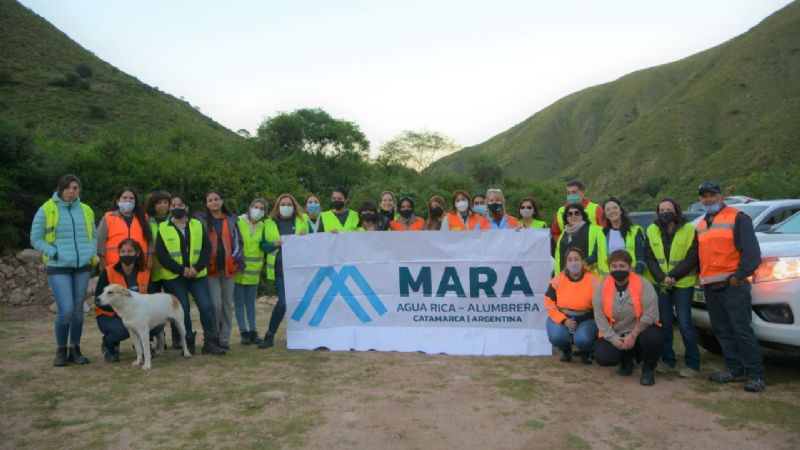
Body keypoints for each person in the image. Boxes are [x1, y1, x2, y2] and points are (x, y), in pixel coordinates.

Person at [696, 181, 763, 392]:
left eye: (712, 195)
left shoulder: (738, 218)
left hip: (732, 286)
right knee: (722, 331)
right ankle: (734, 369)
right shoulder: (701, 225)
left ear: (720, 196)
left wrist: (739, 277)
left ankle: (755, 374)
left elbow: (752, 254)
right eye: (704, 196)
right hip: (711, 287)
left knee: (742, 330)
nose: (708, 199)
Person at [30, 174, 97, 367]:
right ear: (60, 189)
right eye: (67, 188)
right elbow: (35, 239)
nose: (71, 191)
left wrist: (90, 253)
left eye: (75, 188)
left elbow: (93, 235)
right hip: (58, 266)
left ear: (79, 191)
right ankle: (61, 350)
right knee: (66, 310)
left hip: (82, 266)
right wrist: (54, 253)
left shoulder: (86, 210)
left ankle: (75, 349)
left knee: (78, 312)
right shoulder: (47, 208)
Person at [155, 195, 225, 355]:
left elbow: (207, 250)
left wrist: (197, 268)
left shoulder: (198, 225)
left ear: (186, 208)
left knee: (206, 307)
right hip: (174, 276)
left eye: (180, 204)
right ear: (170, 209)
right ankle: (188, 342)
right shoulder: (163, 228)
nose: (176, 207)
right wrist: (182, 270)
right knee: (183, 309)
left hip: (197, 274)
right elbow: (162, 255)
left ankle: (210, 341)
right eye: (173, 205)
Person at [645, 197, 700, 378]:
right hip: (662, 284)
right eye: (662, 210)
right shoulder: (652, 230)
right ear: (658, 212)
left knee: (684, 323)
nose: (665, 212)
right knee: (665, 323)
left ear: (676, 210)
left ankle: (693, 364)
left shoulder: (689, 229)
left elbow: (692, 257)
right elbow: (650, 257)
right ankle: (668, 361)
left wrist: (673, 276)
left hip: (683, 283)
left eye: (669, 209)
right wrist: (662, 278)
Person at [593, 250, 661, 386]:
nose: (618, 269)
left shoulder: (644, 284)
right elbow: (600, 318)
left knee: (653, 337)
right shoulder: (602, 287)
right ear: (609, 268)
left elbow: (651, 313)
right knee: (603, 357)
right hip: (616, 332)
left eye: (622, 266)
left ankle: (648, 369)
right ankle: (625, 359)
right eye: (614, 266)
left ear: (630, 267)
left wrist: (634, 334)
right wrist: (613, 339)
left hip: (640, 330)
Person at [94, 239, 164, 362]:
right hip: (110, 314)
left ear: (137, 254)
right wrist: (121, 310)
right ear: (119, 253)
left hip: (137, 314)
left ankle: (143, 345)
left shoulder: (145, 272)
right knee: (123, 330)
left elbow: (152, 297)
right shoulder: (108, 271)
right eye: (122, 251)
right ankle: (109, 345)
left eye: (130, 251)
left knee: (158, 323)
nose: (126, 254)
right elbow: (98, 300)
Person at [194, 190, 243, 350]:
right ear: (207, 204)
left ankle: (224, 338)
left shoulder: (231, 220)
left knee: (228, 304)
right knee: (216, 304)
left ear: (222, 201)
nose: (214, 202)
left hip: (228, 269)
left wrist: (235, 260)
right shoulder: (201, 221)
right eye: (210, 200)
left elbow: (238, 242)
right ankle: (213, 336)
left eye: (216, 199)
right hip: (210, 269)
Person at [259, 194, 309, 348]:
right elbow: (262, 245)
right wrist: (274, 244)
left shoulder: (303, 220)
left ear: (294, 206)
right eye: (283, 204)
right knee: (283, 303)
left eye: (289, 204)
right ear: (277, 206)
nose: (285, 207)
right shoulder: (268, 223)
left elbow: (315, 239)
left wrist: (305, 238)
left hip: (301, 269)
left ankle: (306, 335)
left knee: (303, 303)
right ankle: (270, 334)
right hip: (280, 268)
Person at [544, 248, 598, 363]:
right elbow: (549, 301)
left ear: (583, 261)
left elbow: (600, 304)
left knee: (583, 339)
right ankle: (565, 350)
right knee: (557, 336)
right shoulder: (558, 279)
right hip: (562, 317)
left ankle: (585, 351)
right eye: (569, 260)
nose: (573, 263)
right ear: (566, 263)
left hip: (586, 319)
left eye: (576, 259)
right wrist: (563, 320)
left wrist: (582, 319)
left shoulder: (593, 280)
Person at [144, 190, 180, 347]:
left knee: (174, 305)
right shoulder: (146, 221)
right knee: (154, 307)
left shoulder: (176, 220)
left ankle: (178, 338)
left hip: (172, 269)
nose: (163, 205)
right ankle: (159, 338)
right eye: (159, 202)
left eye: (166, 202)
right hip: (152, 269)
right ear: (153, 205)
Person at [234, 198, 268, 345]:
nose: (258, 210)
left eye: (261, 208)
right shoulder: (238, 221)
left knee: (250, 303)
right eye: (256, 207)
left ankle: (253, 331)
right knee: (239, 303)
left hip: (254, 271)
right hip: (239, 270)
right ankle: (244, 332)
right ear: (249, 207)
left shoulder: (263, 226)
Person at [96, 187, 152, 270]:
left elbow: (151, 242)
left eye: (131, 198)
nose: (128, 200)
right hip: (113, 265)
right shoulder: (108, 218)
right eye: (125, 198)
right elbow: (100, 243)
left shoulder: (144, 218)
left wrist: (149, 264)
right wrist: (103, 266)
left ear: (135, 202)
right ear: (118, 201)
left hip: (140, 265)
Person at [599, 197, 645, 275]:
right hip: (611, 278)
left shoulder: (635, 230)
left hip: (631, 276)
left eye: (615, 208)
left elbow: (641, 257)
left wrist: (636, 275)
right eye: (608, 209)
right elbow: (594, 255)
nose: (612, 211)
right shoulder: (602, 233)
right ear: (606, 215)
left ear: (620, 211)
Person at [553, 204, 603, 274]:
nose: (573, 216)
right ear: (566, 218)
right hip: (566, 279)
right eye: (570, 214)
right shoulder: (562, 235)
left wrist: (586, 262)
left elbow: (600, 252)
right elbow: (558, 260)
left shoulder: (597, 231)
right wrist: (558, 277)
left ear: (582, 215)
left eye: (577, 213)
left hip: (590, 277)